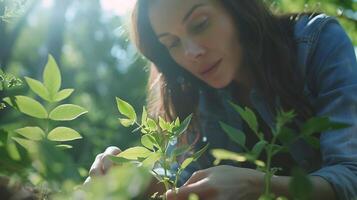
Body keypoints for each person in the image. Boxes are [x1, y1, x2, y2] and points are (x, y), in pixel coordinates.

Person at [85, 0, 357, 199]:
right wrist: (134, 178)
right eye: (172, 43)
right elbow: (183, 176)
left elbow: (350, 176)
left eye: (200, 24)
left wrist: (261, 185)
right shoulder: (190, 90)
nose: (191, 53)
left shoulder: (315, 44)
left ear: (236, 8)